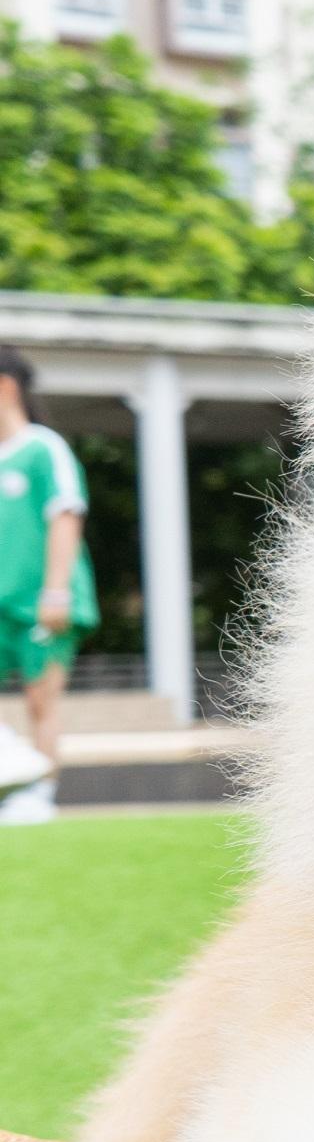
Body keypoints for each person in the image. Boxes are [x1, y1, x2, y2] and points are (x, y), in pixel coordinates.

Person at [0, 349, 96, 823]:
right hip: (1, 601)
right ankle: (13, 772)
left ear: (5, 387)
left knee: (41, 700)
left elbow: (65, 513)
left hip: (44, 601)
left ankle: (39, 795)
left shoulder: (43, 448)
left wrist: (55, 591)